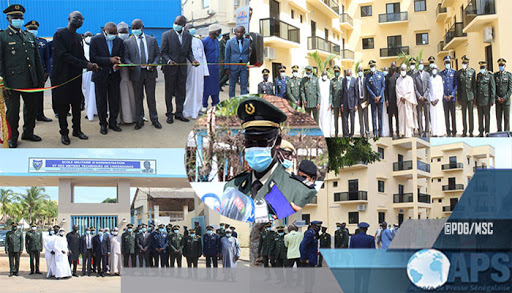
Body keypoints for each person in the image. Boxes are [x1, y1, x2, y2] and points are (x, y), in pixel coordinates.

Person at [223, 96, 317, 209]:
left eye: (262, 142)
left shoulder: (300, 191)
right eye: (249, 142)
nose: (254, 147)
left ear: (277, 143)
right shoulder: (232, 188)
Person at [0, 4, 45, 148]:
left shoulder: (29, 35)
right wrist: (3, 84)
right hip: (11, 83)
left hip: (30, 81)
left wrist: (40, 78)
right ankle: (13, 136)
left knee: (31, 109)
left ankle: (28, 132)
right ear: (8, 19)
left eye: (20, 17)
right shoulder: (3, 36)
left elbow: (36, 60)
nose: (18, 20)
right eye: (15, 17)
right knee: (13, 112)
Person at [53, 11, 98, 145]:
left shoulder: (78, 37)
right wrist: (85, 64)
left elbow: (80, 56)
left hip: (76, 77)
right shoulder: (59, 35)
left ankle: (77, 130)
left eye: (81, 19)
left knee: (76, 105)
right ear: (69, 19)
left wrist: (90, 64)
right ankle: (64, 133)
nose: (79, 21)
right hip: (62, 77)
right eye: (76, 18)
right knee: (63, 107)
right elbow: (64, 56)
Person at [122, 19, 161, 129]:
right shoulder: (128, 42)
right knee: (138, 98)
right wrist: (130, 64)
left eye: (136, 28)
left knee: (151, 97)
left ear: (142, 27)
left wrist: (154, 64)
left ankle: (155, 119)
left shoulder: (152, 40)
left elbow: (158, 55)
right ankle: (140, 120)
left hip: (150, 72)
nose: (135, 30)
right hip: (136, 73)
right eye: (133, 28)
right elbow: (125, 58)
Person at [161, 15, 199, 124]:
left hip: (182, 68)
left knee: (181, 91)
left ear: (183, 25)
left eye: (179, 24)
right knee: (169, 91)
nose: (176, 25)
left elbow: (189, 52)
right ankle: (169, 113)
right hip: (170, 69)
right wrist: (169, 61)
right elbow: (163, 52)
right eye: (175, 22)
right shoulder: (166, 35)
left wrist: (193, 60)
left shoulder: (188, 36)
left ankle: (179, 113)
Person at [90, 22, 124, 135]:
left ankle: (113, 122)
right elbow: (93, 57)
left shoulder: (119, 41)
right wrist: (109, 60)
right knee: (101, 101)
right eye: (111, 33)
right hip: (100, 75)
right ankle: (103, 124)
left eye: (115, 33)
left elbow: (121, 56)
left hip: (114, 76)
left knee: (114, 100)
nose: (113, 35)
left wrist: (118, 63)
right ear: (105, 31)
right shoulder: (95, 40)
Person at [24, 20, 52, 123]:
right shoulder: (23, 41)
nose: (33, 31)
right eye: (31, 29)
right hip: (28, 74)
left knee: (40, 95)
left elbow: (47, 58)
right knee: (29, 98)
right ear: (26, 29)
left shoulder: (43, 42)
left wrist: (47, 72)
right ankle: (30, 118)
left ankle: (40, 114)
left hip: (40, 74)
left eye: (35, 29)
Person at [183, 24, 208, 119]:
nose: (192, 29)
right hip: (190, 70)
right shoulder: (185, 41)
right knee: (189, 89)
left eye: (193, 28)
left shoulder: (198, 41)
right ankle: (187, 111)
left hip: (199, 70)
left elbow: (203, 56)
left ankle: (197, 109)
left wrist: (205, 71)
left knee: (199, 89)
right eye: (190, 28)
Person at [117, 21, 137, 125]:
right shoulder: (115, 42)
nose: (123, 33)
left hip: (130, 73)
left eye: (125, 31)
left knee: (132, 94)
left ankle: (132, 117)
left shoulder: (130, 42)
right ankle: (120, 117)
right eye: (121, 31)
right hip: (118, 74)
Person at [225, 25, 250, 98]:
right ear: (235, 32)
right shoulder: (229, 42)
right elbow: (227, 55)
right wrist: (227, 67)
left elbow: (250, 53)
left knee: (244, 85)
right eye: (238, 32)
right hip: (233, 67)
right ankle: (232, 100)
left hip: (244, 67)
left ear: (244, 33)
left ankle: (243, 100)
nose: (239, 34)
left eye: (241, 32)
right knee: (232, 85)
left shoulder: (248, 42)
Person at [202, 24, 222, 113]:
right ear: (215, 32)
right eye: (219, 31)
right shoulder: (205, 41)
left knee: (215, 87)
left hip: (216, 68)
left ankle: (215, 103)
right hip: (207, 68)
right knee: (206, 87)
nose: (220, 33)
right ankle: (204, 105)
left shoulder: (217, 41)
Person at [396, 63, 418, 138]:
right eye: (401, 70)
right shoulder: (398, 80)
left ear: (406, 70)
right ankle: (402, 132)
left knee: (409, 117)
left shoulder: (409, 79)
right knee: (401, 118)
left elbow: (410, 90)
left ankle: (409, 133)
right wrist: (401, 97)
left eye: (404, 69)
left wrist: (405, 97)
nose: (403, 71)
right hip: (401, 102)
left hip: (408, 101)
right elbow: (397, 90)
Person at [457, 55, 476, 137]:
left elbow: (474, 86)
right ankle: (464, 131)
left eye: (465, 63)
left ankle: (471, 131)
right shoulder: (459, 73)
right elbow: (459, 87)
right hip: (463, 97)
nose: (464, 64)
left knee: (471, 114)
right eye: (463, 63)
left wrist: (475, 98)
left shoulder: (472, 72)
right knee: (464, 115)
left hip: (470, 96)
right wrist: (459, 98)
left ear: (468, 64)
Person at [365, 60, 386, 137]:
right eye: (370, 66)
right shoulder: (368, 76)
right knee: (374, 116)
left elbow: (383, 86)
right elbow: (368, 88)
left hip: (380, 99)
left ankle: (381, 131)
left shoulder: (380, 74)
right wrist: (374, 97)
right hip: (373, 99)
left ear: (375, 66)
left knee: (380, 116)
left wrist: (379, 96)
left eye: (373, 66)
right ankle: (375, 132)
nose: (372, 68)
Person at [476, 61, 495, 137]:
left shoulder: (490, 75)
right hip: (479, 99)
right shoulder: (478, 75)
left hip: (487, 99)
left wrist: (492, 100)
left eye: (483, 68)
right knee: (480, 116)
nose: (482, 69)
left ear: (486, 67)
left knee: (487, 116)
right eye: (481, 68)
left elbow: (492, 88)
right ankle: (481, 131)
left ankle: (487, 131)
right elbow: (477, 88)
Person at [440, 55, 458, 137]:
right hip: (445, 99)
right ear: (444, 63)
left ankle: (454, 131)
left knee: (453, 115)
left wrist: (452, 94)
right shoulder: (441, 73)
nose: (447, 64)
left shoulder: (454, 73)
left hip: (452, 98)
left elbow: (456, 85)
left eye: (448, 62)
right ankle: (448, 131)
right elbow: (440, 87)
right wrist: (444, 96)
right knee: (446, 116)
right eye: (446, 62)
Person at [413, 60, 431, 137]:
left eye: (422, 64)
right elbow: (415, 88)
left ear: (423, 65)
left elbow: (428, 87)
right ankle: (421, 131)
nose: (421, 65)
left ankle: (426, 131)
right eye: (419, 64)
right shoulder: (415, 75)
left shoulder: (427, 74)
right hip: (419, 99)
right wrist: (420, 96)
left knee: (427, 115)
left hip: (426, 99)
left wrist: (425, 96)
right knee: (419, 116)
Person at [82, 31, 97, 121]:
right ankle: (89, 111)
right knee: (87, 92)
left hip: (95, 70)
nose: (88, 37)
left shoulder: (95, 44)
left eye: (90, 35)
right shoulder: (81, 45)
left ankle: (97, 110)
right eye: (86, 36)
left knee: (96, 92)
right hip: (85, 71)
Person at [495, 58, 511, 132]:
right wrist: (497, 97)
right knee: (498, 118)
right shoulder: (495, 75)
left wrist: (505, 98)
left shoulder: (509, 75)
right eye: (499, 65)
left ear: (505, 65)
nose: (500, 66)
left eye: (502, 65)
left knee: (506, 118)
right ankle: (499, 132)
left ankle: (507, 132)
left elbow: (510, 89)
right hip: (498, 100)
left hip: (506, 101)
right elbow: (493, 88)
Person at [341, 68, 359, 137]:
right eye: (346, 75)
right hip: (345, 103)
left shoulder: (354, 80)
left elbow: (356, 94)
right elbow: (342, 93)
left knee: (352, 119)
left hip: (352, 103)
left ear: (351, 74)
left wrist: (356, 105)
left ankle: (351, 133)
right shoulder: (344, 80)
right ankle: (346, 133)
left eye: (348, 75)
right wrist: (342, 104)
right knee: (345, 120)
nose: (347, 76)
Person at [430, 64, 446, 137]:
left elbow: (441, 90)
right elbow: (428, 90)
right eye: (432, 68)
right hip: (432, 101)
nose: (434, 70)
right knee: (433, 117)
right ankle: (434, 132)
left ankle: (440, 132)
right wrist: (431, 100)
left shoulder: (439, 78)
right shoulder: (429, 78)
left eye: (435, 68)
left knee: (439, 116)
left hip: (438, 101)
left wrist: (438, 99)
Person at [386, 62, 399, 137]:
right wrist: (386, 99)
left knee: (397, 117)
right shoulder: (387, 77)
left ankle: (397, 131)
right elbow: (386, 89)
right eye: (392, 66)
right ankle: (391, 132)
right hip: (390, 100)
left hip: (396, 99)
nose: (393, 67)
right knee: (390, 117)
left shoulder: (398, 76)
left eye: (394, 66)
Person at [329, 65, 343, 137]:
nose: (336, 73)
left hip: (342, 103)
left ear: (340, 72)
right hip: (335, 103)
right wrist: (331, 103)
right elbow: (331, 93)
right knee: (335, 120)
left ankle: (344, 133)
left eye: (337, 71)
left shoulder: (342, 80)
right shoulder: (332, 81)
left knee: (344, 119)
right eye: (335, 71)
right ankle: (336, 133)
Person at [356, 66, 370, 137]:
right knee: (360, 118)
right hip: (359, 102)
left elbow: (367, 90)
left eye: (361, 70)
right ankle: (362, 132)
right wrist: (356, 103)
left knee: (366, 118)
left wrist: (368, 101)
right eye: (359, 71)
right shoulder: (356, 80)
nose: (360, 72)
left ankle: (367, 132)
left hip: (365, 101)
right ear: (357, 72)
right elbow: (355, 93)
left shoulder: (365, 79)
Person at [318, 70, 332, 137]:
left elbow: (331, 93)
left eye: (325, 75)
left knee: (327, 118)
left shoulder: (329, 82)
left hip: (327, 103)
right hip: (321, 103)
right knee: (321, 117)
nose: (324, 76)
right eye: (323, 75)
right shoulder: (319, 82)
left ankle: (327, 133)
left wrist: (330, 103)